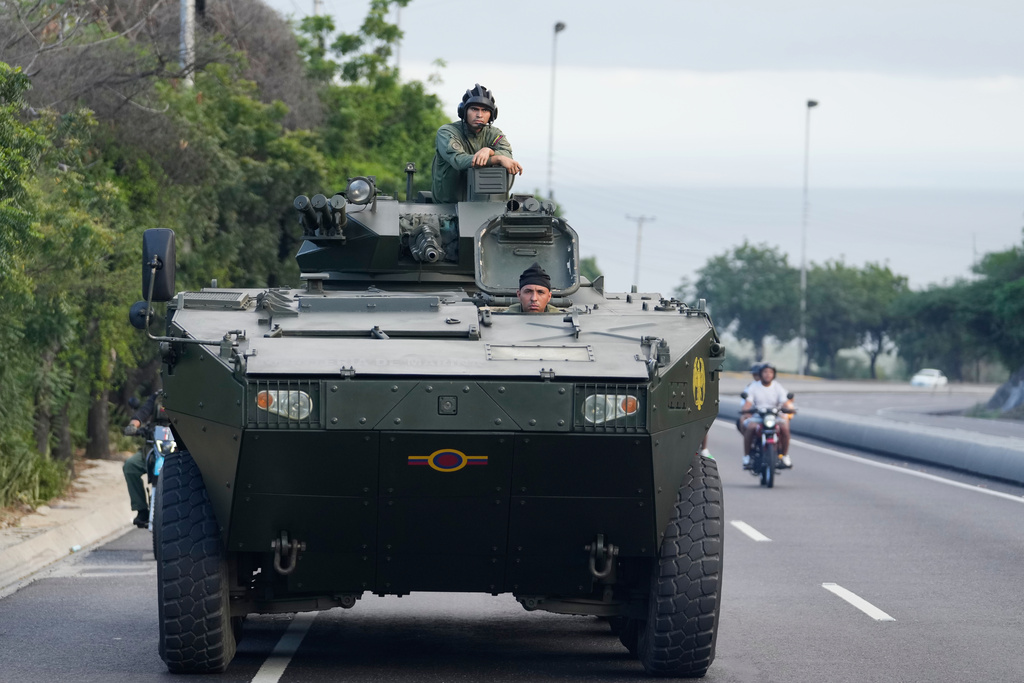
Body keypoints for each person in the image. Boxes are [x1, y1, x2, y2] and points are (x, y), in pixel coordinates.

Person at [431, 84, 523, 204]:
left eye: (485, 110)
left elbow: (508, 155)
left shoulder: (494, 134)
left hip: (487, 208)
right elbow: (458, 160)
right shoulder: (447, 132)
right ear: (463, 111)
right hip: (447, 207)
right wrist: (497, 158)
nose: (479, 115)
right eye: (474, 109)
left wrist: (489, 151)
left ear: (492, 114)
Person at [740, 363, 794, 469]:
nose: (768, 375)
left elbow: (785, 402)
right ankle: (747, 457)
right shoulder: (753, 387)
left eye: (770, 372)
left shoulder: (777, 387)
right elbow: (748, 402)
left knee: (785, 429)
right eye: (765, 372)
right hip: (759, 416)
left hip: (774, 416)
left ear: (774, 374)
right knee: (750, 428)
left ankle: (784, 456)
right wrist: (746, 410)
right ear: (761, 374)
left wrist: (789, 408)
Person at [122, 392, 162, 528]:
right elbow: (142, 413)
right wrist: (133, 426)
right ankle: (142, 510)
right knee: (130, 466)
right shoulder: (158, 398)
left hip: (178, 449)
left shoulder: (188, 396)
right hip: (154, 448)